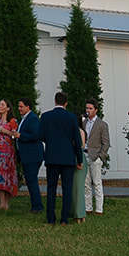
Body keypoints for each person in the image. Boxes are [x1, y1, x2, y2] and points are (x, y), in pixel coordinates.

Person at [40, 92, 84, 225]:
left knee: (51, 188)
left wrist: (51, 141)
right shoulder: (71, 117)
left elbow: (40, 135)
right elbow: (77, 139)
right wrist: (80, 159)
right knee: (67, 189)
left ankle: (51, 218)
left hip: (52, 156)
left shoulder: (46, 116)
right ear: (66, 103)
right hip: (67, 157)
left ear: (55, 101)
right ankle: (64, 219)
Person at [83, 99, 110, 216]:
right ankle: (88, 207)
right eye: (87, 108)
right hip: (85, 154)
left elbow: (106, 143)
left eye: (90, 108)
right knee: (86, 183)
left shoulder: (101, 125)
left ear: (96, 110)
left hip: (95, 156)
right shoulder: (84, 123)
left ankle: (99, 209)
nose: (88, 110)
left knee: (97, 183)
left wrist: (101, 156)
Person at [16, 98, 44, 213]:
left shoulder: (32, 119)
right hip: (27, 155)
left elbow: (36, 135)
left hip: (32, 156)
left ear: (28, 107)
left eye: (21, 106)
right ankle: (35, 204)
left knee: (31, 180)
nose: (19, 109)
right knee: (30, 180)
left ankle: (37, 206)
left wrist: (20, 135)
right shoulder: (25, 119)